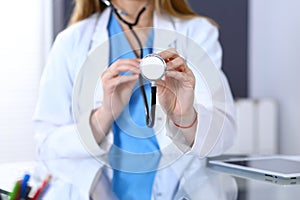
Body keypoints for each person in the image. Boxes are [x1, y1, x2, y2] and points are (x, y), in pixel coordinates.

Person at [33, 0, 237, 199]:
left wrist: (184, 115)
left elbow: (224, 135)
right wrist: (104, 115)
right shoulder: (71, 42)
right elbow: (46, 145)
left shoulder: (196, 32)